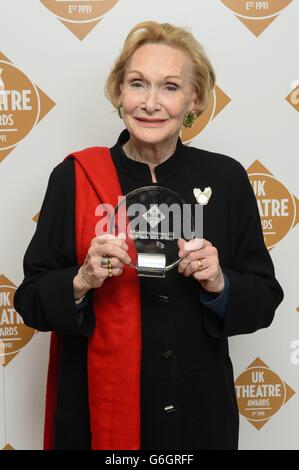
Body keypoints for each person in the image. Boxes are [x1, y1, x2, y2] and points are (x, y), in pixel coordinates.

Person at [14, 21, 283, 450]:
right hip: (96, 410)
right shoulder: (74, 177)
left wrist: (219, 283)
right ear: (119, 92)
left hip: (198, 414)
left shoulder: (226, 178)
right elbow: (29, 300)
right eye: (138, 84)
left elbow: (265, 298)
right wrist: (81, 280)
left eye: (170, 87)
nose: (151, 103)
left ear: (194, 99)